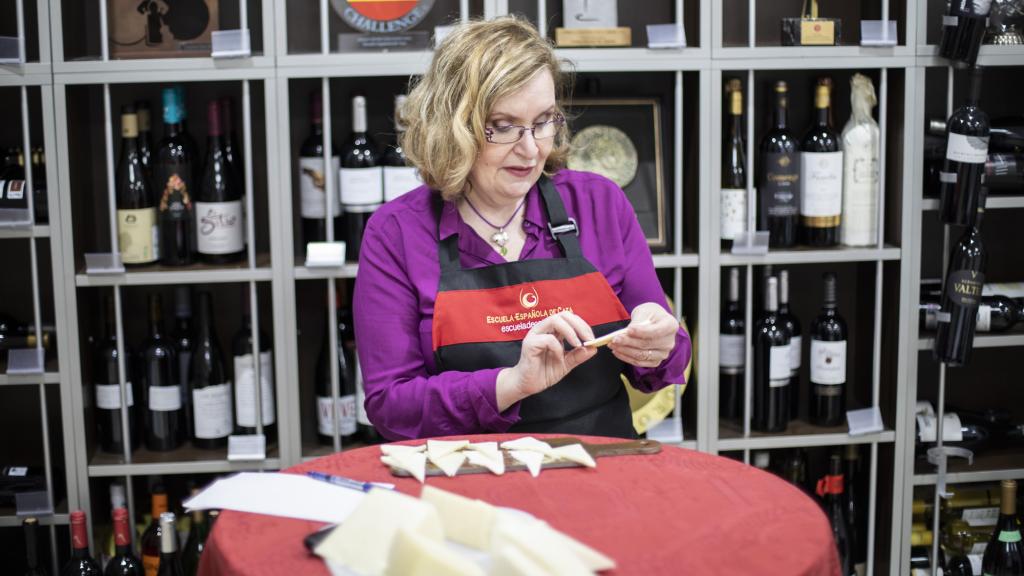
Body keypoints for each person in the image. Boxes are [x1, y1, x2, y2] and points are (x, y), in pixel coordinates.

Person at [352, 16, 691, 440]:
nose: (530, 149)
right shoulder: (397, 233)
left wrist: (660, 344)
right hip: (468, 481)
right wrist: (511, 385)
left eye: (544, 120)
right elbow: (391, 408)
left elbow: (663, 367)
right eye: (503, 126)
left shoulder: (599, 203)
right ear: (454, 126)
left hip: (600, 466)